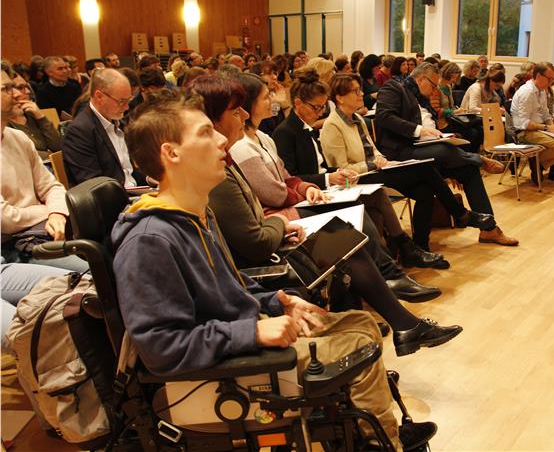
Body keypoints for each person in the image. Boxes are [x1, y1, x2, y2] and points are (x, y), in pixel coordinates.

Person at [118, 89, 440, 449]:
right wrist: (252, 334)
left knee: (361, 324)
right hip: (216, 372)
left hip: (241, 330)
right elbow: (161, 348)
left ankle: (377, 432)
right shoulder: (150, 240)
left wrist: (278, 302)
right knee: (355, 347)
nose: (223, 139)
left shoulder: (195, 214)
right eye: (206, 133)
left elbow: (231, 288)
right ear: (171, 153)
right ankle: (379, 442)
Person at [195, 74, 460, 349]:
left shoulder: (246, 148)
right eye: (237, 110)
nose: (246, 114)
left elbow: (286, 179)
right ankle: (387, 315)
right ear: (212, 122)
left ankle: (368, 328)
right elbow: (259, 229)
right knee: (343, 239)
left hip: (278, 227)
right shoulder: (229, 162)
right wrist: (279, 221)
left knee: (347, 239)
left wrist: (300, 191)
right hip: (269, 254)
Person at [272, 70, 446, 298]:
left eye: (322, 107)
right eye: (316, 107)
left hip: (322, 188)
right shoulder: (285, 132)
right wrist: (330, 177)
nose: (320, 112)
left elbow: (323, 166)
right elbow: (293, 178)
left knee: (378, 196)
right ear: (297, 103)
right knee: (363, 206)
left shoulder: (307, 129)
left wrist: (336, 173)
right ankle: (389, 271)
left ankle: (398, 257)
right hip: (309, 197)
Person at [322, 72, 503, 253]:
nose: (361, 94)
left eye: (360, 90)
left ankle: (421, 246)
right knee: (425, 167)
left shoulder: (358, 119)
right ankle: (460, 213)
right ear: (340, 98)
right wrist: (373, 164)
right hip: (358, 178)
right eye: (355, 91)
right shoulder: (332, 125)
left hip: (378, 168)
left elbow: (372, 149)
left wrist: (380, 158)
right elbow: (342, 169)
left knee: (425, 190)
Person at [374, 62, 518, 246]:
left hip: (430, 151)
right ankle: (477, 159)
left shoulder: (423, 98)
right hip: (402, 152)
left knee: (468, 169)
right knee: (446, 151)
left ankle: (489, 230)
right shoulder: (394, 88)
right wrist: (419, 130)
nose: (435, 90)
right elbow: (384, 117)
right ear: (420, 79)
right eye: (433, 85)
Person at [1, 69, 87, 273]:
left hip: (37, 234)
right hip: (10, 246)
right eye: (6, 88)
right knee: (89, 277)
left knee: (104, 265)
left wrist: (57, 212)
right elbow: (6, 220)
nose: (17, 94)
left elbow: (51, 186)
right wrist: (48, 211)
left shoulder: (18, 138)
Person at [62, 68, 146, 188]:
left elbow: (128, 172)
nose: (127, 107)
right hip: (110, 201)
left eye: (129, 101)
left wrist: (149, 179)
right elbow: (94, 184)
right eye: (122, 101)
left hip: (130, 193)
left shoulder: (118, 123)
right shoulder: (79, 131)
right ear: (99, 96)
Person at [510, 62, 554, 184]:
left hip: (539, 128)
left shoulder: (542, 91)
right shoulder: (527, 92)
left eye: (553, 78)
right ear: (538, 76)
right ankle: (537, 164)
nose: (552, 81)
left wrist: (553, 126)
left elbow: (546, 114)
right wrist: (548, 128)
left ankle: (538, 164)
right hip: (524, 132)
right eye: (550, 78)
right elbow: (523, 124)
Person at [2, 66, 62, 159]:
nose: (28, 91)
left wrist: (41, 117)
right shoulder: (4, 122)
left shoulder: (30, 112)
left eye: (26, 86)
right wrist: (51, 156)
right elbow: (22, 155)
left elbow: (58, 146)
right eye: (20, 87)